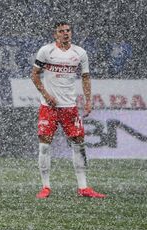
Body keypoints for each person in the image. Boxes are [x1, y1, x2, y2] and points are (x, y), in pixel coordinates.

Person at [31, 22, 106, 199]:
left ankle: (83, 187)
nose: (66, 34)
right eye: (61, 31)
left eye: (68, 31)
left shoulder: (79, 53)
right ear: (55, 34)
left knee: (79, 144)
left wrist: (88, 100)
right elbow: (34, 74)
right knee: (44, 145)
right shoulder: (46, 51)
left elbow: (86, 77)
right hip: (48, 107)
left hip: (69, 108)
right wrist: (46, 94)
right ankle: (46, 187)